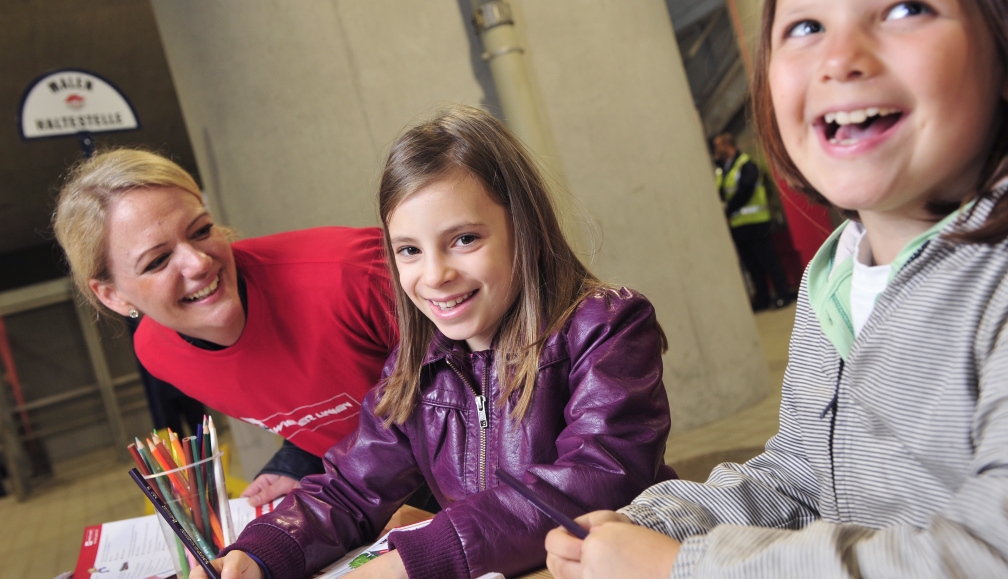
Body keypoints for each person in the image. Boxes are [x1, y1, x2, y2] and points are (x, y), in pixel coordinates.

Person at [546, 0, 1008, 576]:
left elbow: (986, 555)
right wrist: (655, 524)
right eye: (806, 26)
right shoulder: (835, 275)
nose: (840, 59)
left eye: (905, 9)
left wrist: (683, 567)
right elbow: (802, 478)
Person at [197, 105, 675, 579]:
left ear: (522, 227)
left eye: (464, 239)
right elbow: (350, 489)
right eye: (409, 250)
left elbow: (594, 478)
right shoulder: (417, 364)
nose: (435, 275)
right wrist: (261, 552)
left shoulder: (607, 324)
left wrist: (421, 556)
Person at [52, 150, 399, 507]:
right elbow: (321, 402)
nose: (199, 263)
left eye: (201, 231)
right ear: (112, 295)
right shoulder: (157, 353)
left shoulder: (353, 274)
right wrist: (299, 461)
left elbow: (456, 393)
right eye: (157, 261)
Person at [713, 132, 793, 310]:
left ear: (728, 145)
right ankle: (763, 300)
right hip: (738, 225)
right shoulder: (722, 169)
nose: (716, 150)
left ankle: (782, 295)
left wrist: (728, 209)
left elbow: (745, 190)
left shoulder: (746, 165)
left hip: (756, 223)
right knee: (752, 265)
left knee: (769, 261)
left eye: (718, 146)